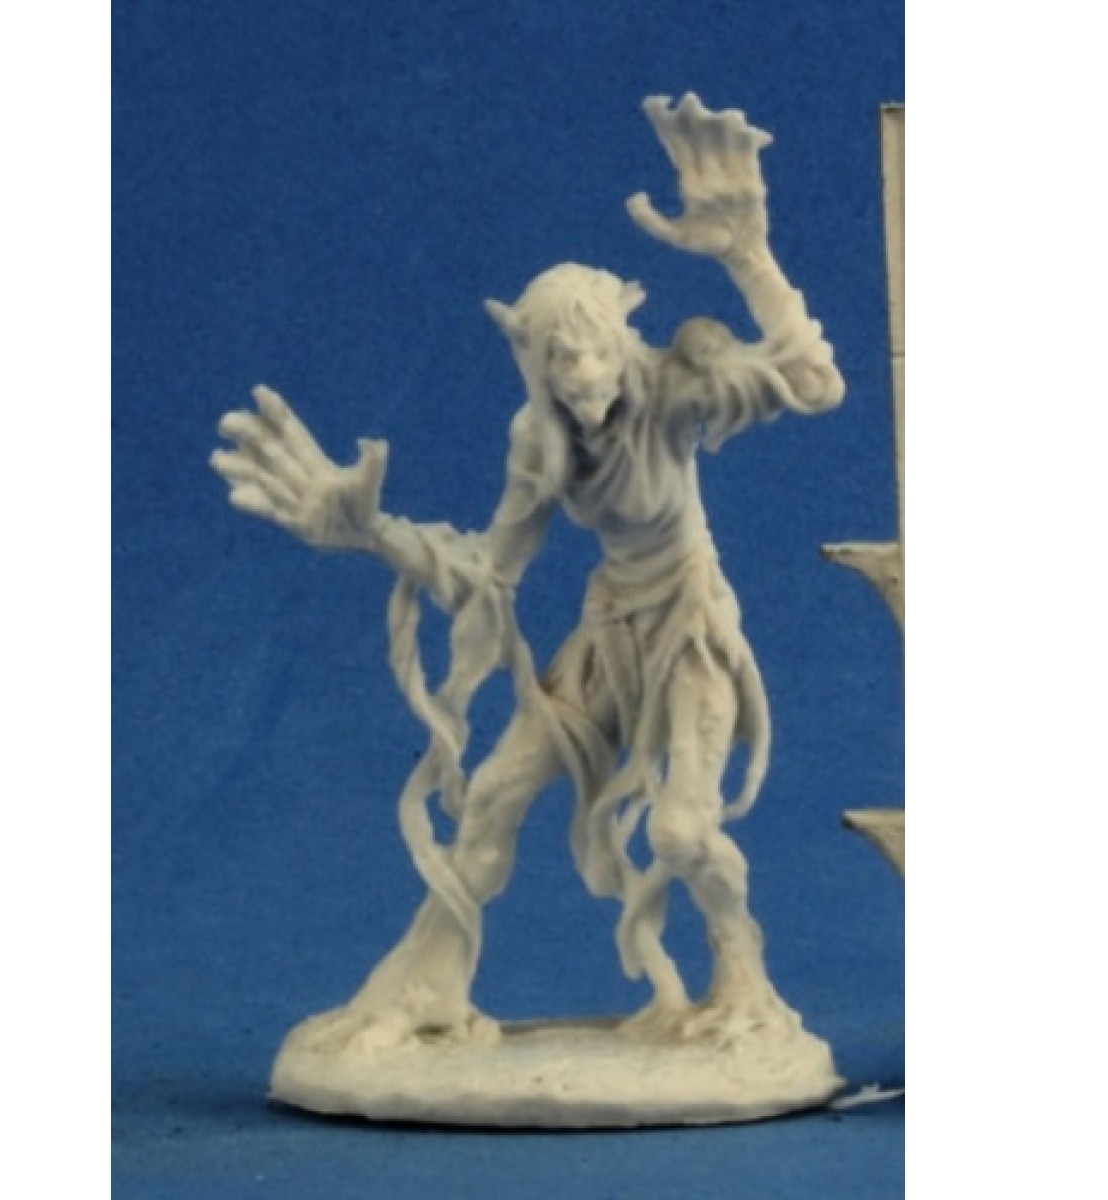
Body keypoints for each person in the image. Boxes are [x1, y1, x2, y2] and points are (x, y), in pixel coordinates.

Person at [212, 96, 843, 1053]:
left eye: (594, 351)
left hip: (688, 630)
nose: (583, 375)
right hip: (605, 638)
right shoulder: (539, 441)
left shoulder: (674, 389)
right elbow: (489, 569)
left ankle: (743, 979)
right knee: (495, 797)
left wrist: (749, 255)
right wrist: (371, 533)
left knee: (681, 832)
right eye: (560, 359)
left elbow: (814, 385)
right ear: (537, 365)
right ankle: (426, 985)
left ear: (621, 343)